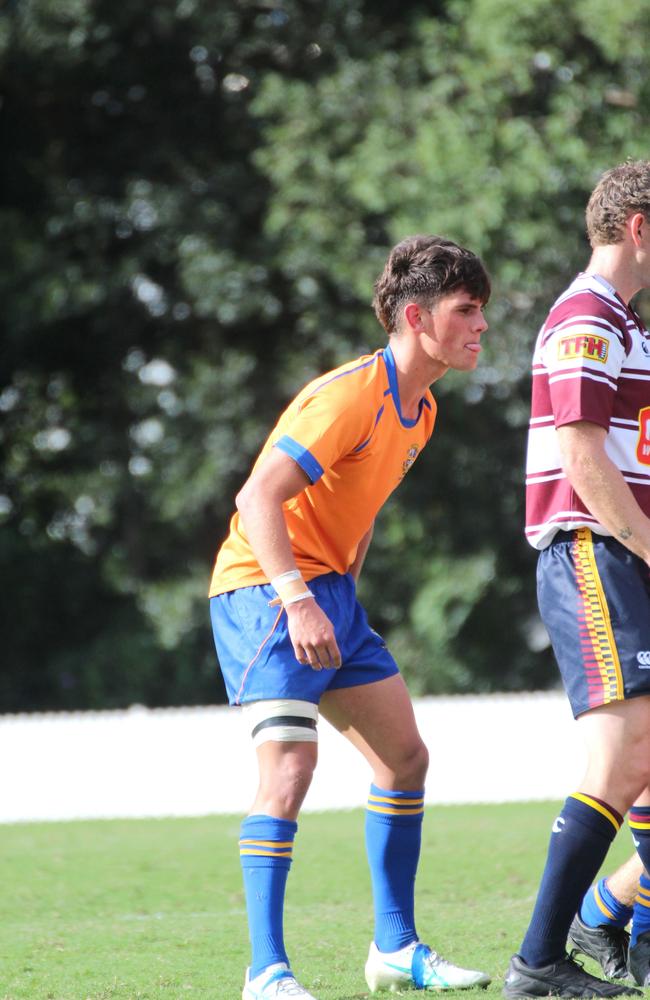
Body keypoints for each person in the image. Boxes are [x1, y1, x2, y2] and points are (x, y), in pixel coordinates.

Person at [209, 235, 492, 1000]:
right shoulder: (347, 395)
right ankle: (264, 973)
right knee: (292, 769)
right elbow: (256, 498)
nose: (480, 326)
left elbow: (359, 510)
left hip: (326, 591)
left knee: (405, 759)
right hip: (264, 590)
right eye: (466, 311)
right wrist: (298, 598)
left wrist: (338, 593)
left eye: (481, 312)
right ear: (414, 315)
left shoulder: (422, 409)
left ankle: (394, 951)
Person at [505, 159, 650, 1000]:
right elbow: (582, 457)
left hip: (624, 553)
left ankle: (612, 923)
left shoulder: (627, 323)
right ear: (639, 228)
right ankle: (539, 961)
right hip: (597, 553)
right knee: (620, 754)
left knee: (642, 755)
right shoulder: (585, 320)